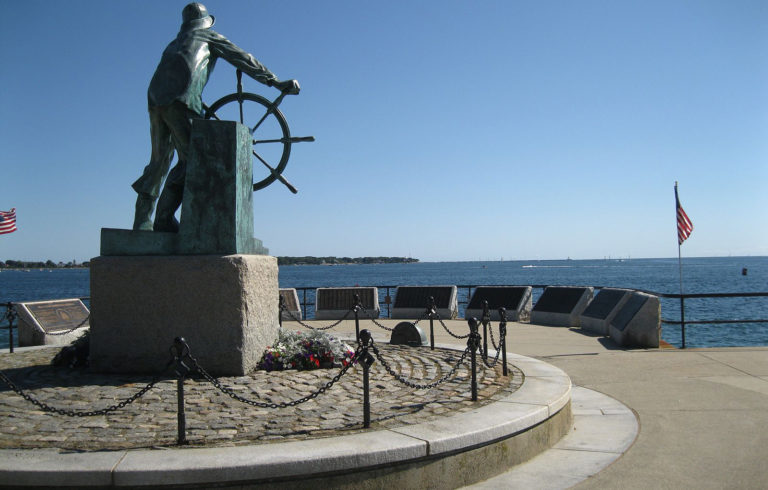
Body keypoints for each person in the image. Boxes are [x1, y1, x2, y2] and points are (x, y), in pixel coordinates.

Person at [132, 2, 298, 232]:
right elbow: (243, 59)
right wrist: (274, 81)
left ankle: (141, 220)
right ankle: (163, 220)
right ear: (206, 21)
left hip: (155, 99)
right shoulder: (209, 36)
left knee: (159, 161)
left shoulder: (173, 43)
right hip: (182, 100)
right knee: (193, 160)